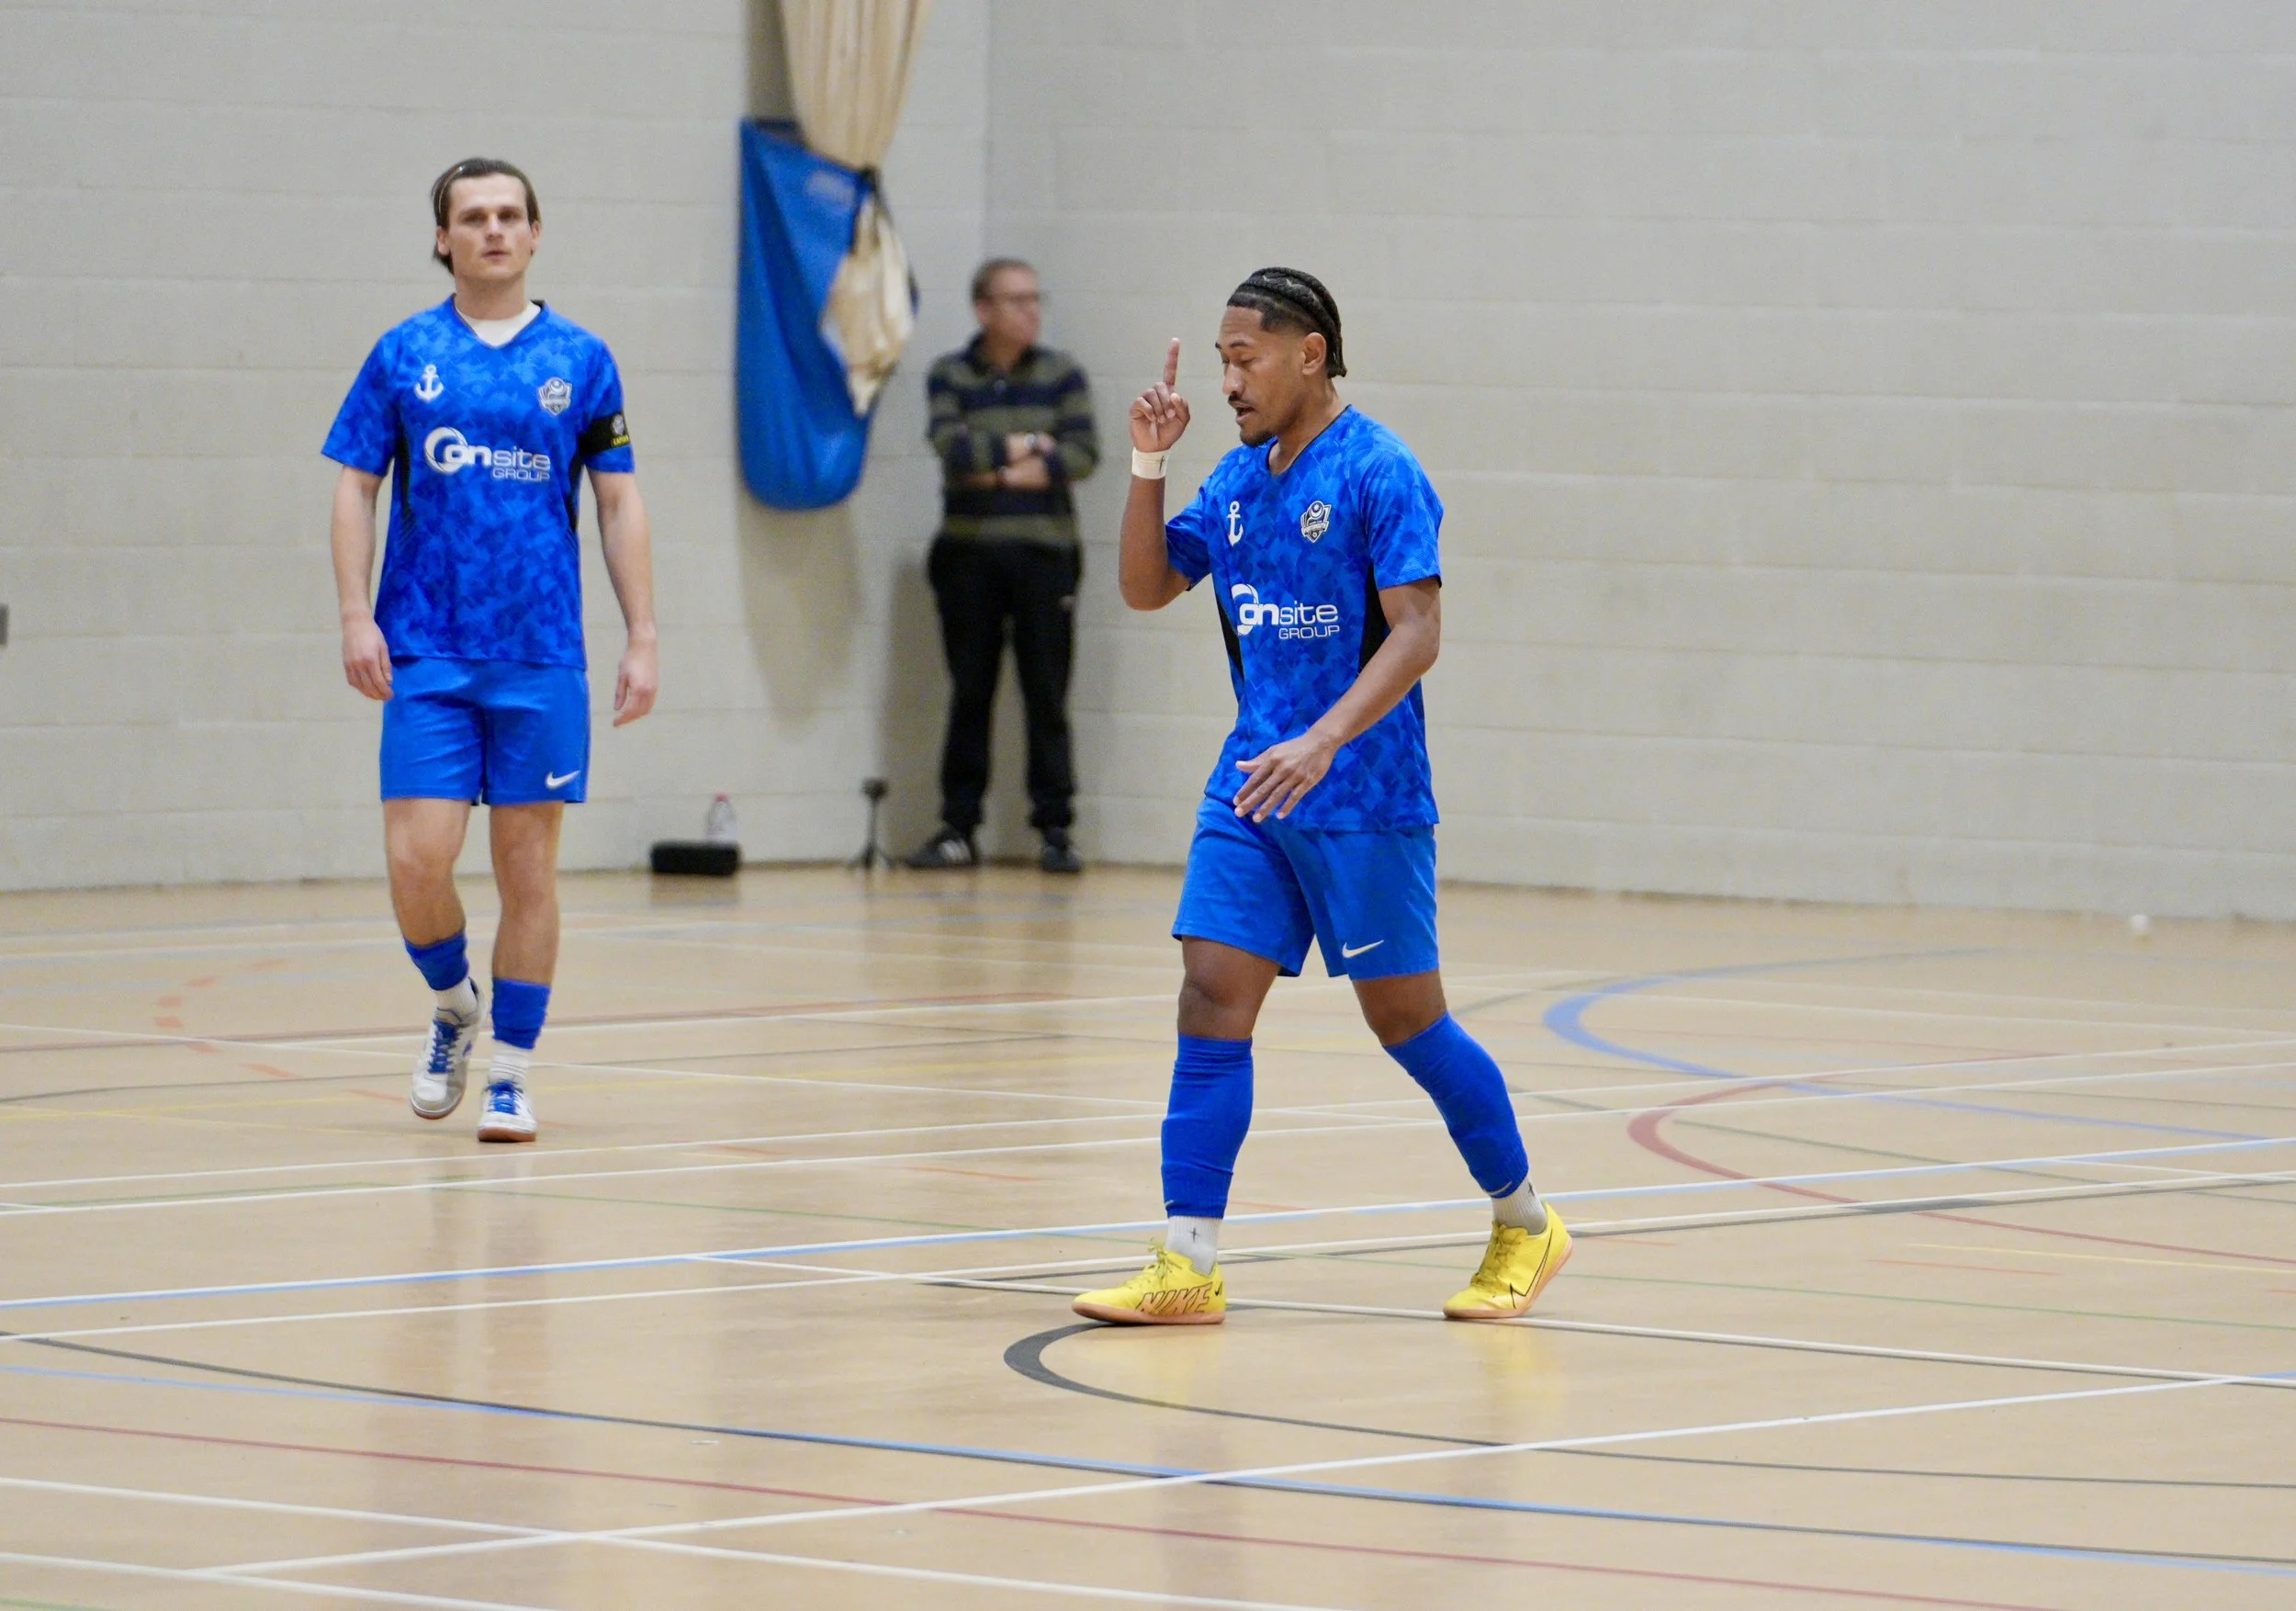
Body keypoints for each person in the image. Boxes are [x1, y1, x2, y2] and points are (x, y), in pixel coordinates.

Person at [1073, 268, 1567, 1325]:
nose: (1228, 381)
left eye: (1243, 358)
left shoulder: (1380, 468)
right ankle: (1187, 1258)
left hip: (1363, 795)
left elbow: (1418, 632)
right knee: (1210, 995)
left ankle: (1524, 1218)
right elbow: (1145, 585)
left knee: (1407, 1021)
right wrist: (1149, 462)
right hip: (1253, 785)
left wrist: (1324, 739)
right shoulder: (1235, 480)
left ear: (1308, 354)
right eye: (1220, 361)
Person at [323, 157, 658, 1143]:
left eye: (511, 214)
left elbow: (618, 501)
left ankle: (511, 1070)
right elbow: (354, 486)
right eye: (473, 217)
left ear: (536, 233)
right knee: (417, 860)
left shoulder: (582, 358)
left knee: (528, 872)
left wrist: (642, 634)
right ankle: (453, 1004)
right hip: (426, 646)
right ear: (444, 238)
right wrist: (355, 615)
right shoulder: (404, 352)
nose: (495, 230)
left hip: (540, 652)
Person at [906, 259, 1098, 874]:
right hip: (968, 556)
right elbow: (952, 450)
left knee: (1047, 694)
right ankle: (957, 828)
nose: (1030, 310)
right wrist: (1031, 447)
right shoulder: (951, 373)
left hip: (1047, 557)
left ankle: (1056, 830)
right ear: (983, 309)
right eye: (1016, 300)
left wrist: (994, 468)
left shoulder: (1062, 374)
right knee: (970, 693)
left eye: (1035, 298)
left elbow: (1081, 454)